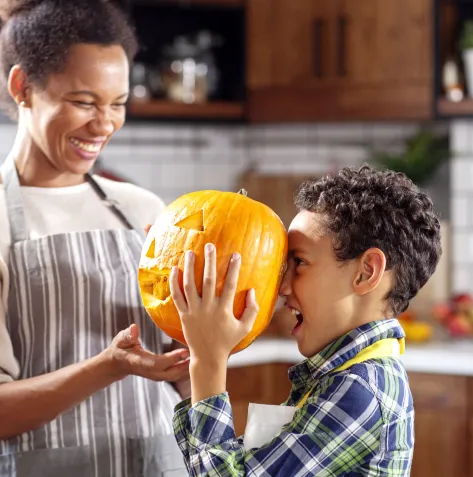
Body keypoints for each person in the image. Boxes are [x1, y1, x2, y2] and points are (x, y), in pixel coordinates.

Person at [0, 1, 191, 475]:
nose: (104, 124)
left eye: (117, 104)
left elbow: (183, 378)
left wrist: (205, 335)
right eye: (83, 102)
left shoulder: (142, 210)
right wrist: (109, 365)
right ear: (23, 87)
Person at [168, 165, 442, 476]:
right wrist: (195, 379)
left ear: (366, 272)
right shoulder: (345, 377)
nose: (283, 287)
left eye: (300, 262)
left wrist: (208, 363)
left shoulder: (358, 391)